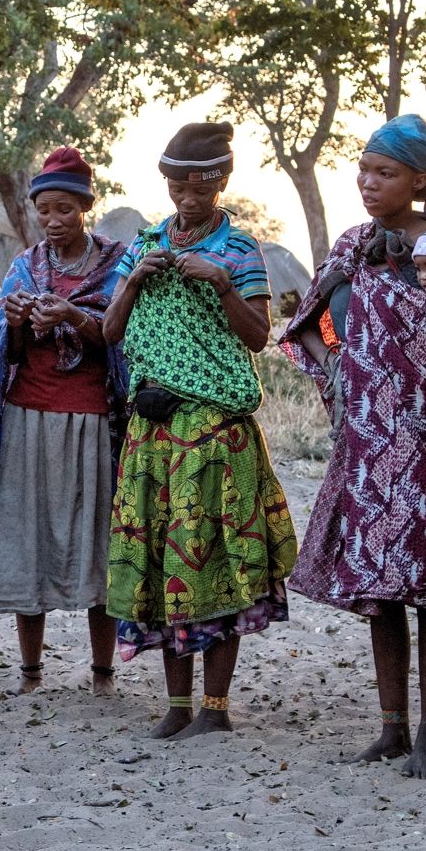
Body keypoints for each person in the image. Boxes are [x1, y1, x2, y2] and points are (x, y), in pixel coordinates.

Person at [282, 117, 426, 778]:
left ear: (419, 180)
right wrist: (341, 371)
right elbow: (303, 325)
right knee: (380, 589)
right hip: (369, 442)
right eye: (365, 169)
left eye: (385, 173)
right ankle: (392, 730)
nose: (369, 184)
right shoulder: (353, 247)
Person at [101, 122, 297, 739]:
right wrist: (135, 280)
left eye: (201, 182)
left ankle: (215, 708)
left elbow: (258, 337)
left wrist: (216, 280)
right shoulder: (144, 245)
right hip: (153, 429)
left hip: (215, 430)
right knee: (162, 560)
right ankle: (177, 705)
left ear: (222, 182)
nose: (189, 194)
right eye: (179, 183)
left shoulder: (240, 251)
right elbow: (109, 332)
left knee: (217, 560)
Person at [0, 147, 129, 695]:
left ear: (86, 206)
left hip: (93, 423)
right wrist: (13, 323)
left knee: (97, 543)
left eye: (65, 209)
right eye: (44, 210)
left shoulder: (118, 265)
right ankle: (31, 673)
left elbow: (127, 339)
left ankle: (102, 673)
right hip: (27, 421)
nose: (53, 221)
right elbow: (5, 355)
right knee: (25, 541)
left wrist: (79, 318)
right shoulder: (24, 267)